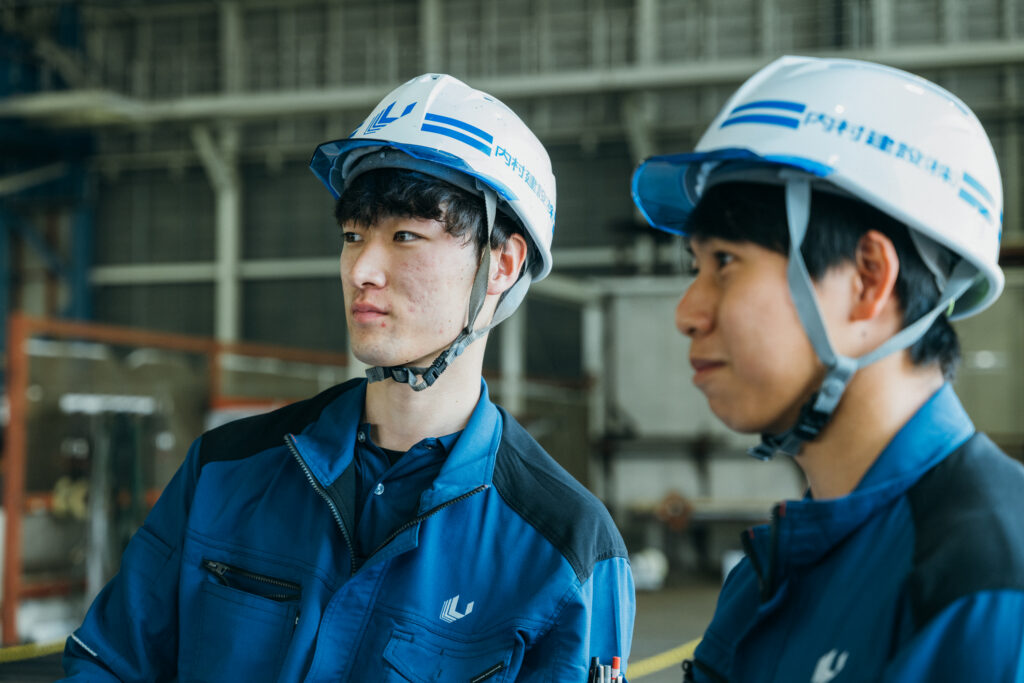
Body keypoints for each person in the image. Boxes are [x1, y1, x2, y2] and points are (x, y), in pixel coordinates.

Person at [62, 74, 634, 681]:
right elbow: (109, 664)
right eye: (353, 235)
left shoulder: (566, 550)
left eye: (406, 236)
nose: (362, 269)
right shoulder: (224, 473)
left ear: (502, 264)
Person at [631, 55, 1024, 681]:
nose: (688, 313)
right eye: (695, 267)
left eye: (725, 262)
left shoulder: (990, 588)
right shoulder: (767, 576)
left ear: (867, 280)